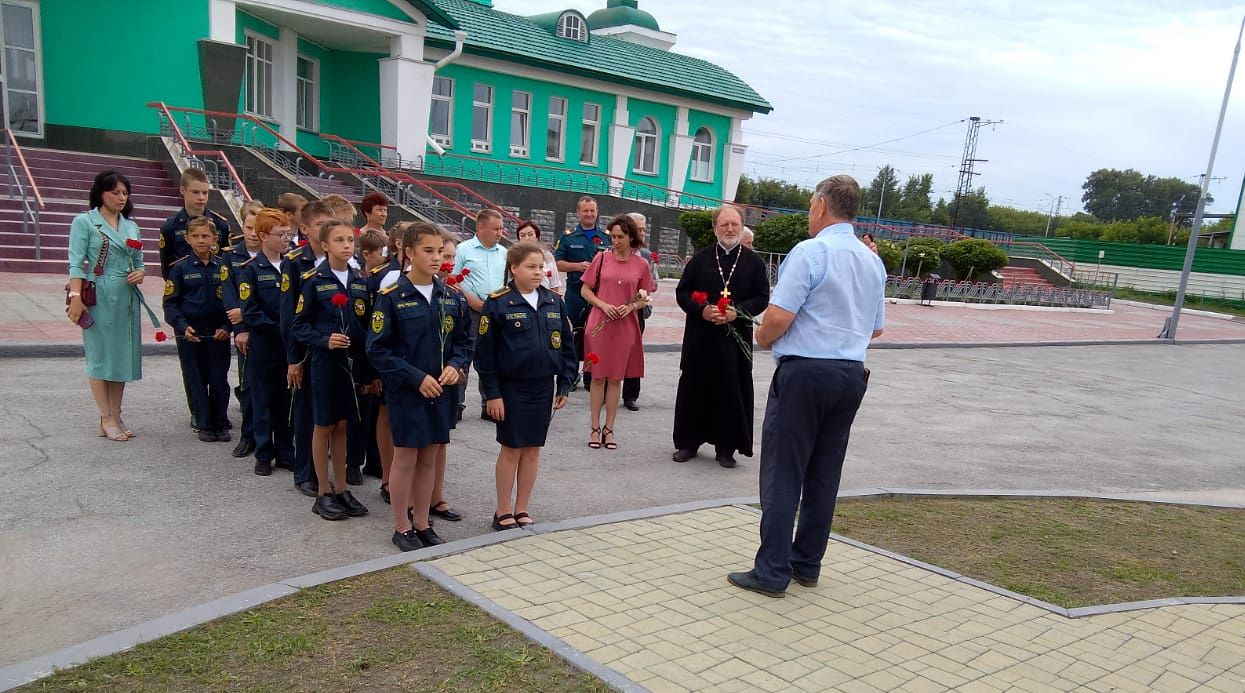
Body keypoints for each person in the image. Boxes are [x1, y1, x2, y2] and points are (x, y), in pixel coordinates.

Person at [726, 175, 887, 598]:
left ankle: (772, 571)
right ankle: (807, 563)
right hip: (850, 373)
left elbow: (778, 318)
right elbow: (876, 329)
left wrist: (762, 337)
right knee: (823, 471)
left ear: (819, 205)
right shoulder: (872, 260)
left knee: (784, 471)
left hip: (806, 372)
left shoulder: (811, 251)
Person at [366, 222, 474, 551]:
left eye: (440, 251)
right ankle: (402, 526)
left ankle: (423, 522)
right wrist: (416, 377)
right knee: (405, 458)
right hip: (408, 392)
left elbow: (465, 341)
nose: (436, 257)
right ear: (409, 253)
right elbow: (377, 349)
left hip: (442, 391)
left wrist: (457, 366)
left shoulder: (450, 297)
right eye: (428, 251)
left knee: (430, 458)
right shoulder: (392, 297)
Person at [476, 241, 577, 530]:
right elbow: (485, 355)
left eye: (541, 267)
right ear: (514, 268)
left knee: (533, 449)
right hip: (511, 388)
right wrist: (492, 393)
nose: (538, 272)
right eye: (531, 267)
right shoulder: (498, 302)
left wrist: (565, 385)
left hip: (542, 387)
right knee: (511, 448)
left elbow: (566, 348)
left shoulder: (553, 301)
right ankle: (503, 510)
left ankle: (522, 507)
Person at [671, 205, 770, 468]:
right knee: (695, 388)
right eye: (724, 224)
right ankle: (689, 442)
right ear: (715, 228)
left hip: (733, 343)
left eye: (734, 224)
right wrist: (701, 310)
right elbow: (683, 293)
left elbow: (762, 297)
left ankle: (726, 448)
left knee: (731, 390)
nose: (729, 229)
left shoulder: (754, 263)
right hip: (700, 340)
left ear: (741, 227)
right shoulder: (701, 260)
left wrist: (737, 312)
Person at [289, 219, 372, 521]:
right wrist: (324, 340)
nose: (347, 245)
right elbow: (299, 326)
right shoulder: (313, 280)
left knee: (342, 426)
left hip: (350, 365)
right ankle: (322, 491)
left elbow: (365, 325)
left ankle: (341, 487)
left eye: (350, 240)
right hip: (325, 363)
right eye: (339, 240)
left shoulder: (360, 281)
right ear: (325, 245)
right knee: (323, 425)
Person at [66, 170, 148, 442]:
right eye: (115, 192)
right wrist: (76, 296)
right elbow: (76, 263)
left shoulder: (130, 225)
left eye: (125, 193)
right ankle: (105, 415)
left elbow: (138, 260)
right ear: (101, 193)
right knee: (101, 356)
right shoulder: (85, 222)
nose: (121, 197)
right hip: (98, 293)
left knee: (121, 355)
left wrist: (140, 272)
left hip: (126, 295)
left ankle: (116, 411)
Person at [580, 215, 656, 451]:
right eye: (612, 236)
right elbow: (585, 289)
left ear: (632, 236)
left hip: (625, 325)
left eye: (620, 237)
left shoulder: (642, 264)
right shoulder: (601, 258)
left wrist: (631, 306)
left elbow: (646, 297)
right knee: (597, 377)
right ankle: (594, 426)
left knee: (615, 378)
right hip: (599, 322)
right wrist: (602, 305)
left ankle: (609, 428)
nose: (615, 241)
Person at [281, 200, 334, 497]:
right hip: (305, 348)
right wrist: (293, 358)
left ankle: (328, 473)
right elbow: (289, 314)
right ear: (305, 228)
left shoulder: (340, 261)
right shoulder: (294, 261)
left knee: (328, 416)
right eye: (320, 225)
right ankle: (305, 472)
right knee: (305, 414)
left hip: (331, 350)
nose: (326, 230)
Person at [163, 216, 233, 442]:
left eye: (206, 236)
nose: (201, 240)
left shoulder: (224, 266)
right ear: (187, 238)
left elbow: (234, 302)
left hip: (218, 334)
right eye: (196, 236)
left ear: (215, 238)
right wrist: (183, 326)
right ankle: (204, 423)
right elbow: (170, 303)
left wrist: (227, 326)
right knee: (197, 379)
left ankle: (220, 422)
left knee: (219, 379)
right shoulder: (180, 268)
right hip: (191, 334)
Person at [239, 208, 295, 476]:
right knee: (263, 400)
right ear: (263, 236)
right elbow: (250, 311)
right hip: (264, 344)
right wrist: (279, 328)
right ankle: (263, 452)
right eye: (281, 234)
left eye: (288, 233)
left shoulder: (291, 266)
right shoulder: (251, 270)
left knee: (286, 399)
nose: (287, 238)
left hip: (287, 347)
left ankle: (285, 451)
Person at [452, 209, 507, 420]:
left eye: (501, 228)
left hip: (495, 312)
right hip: (469, 310)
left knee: (492, 358)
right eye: (495, 228)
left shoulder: (503, 252)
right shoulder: (463, 250)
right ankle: (457, 404)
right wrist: (471, 300)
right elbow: (453, 279)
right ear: (481, 227)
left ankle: (489, 403)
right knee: (465, 355)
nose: (499, 233)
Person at [554, 195, 611, 390]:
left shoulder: (607, 237)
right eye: (585, 210)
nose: (589, 214)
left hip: (599, 295)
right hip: (576, 294)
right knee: (572, 338)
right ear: (578, 212)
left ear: (597, 212)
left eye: (592, 211)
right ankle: (569, 376)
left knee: (594, 337)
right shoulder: (568, 237)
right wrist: (577, 266)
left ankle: (590, 376)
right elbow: (558, 263)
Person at [221, 200, 264, 458]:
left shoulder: (276, 254)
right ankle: (248, 436)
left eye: (257, 227)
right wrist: (241, 328)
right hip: (247, 332)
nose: (252, 232)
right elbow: (230, 297)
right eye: (248, 226)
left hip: (267, 328)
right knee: (248, 385)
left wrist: (246, 313)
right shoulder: (231, 256)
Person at [158, 168, 231, 279]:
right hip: (186, 290)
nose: (201, 197)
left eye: (205, 193)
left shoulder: (221, 225)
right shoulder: (170, 227)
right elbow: (167, 266)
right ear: (183, 190)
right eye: (195, 192)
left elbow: (227, 261)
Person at [621, 212, 658, 412]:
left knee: (633, 352)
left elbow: (653, 283)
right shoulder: (612, 250)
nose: (642, 233)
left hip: (636, 310)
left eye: (644, 229)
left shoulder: (645, 255)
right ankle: (606, 389)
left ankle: (630, 394)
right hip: (615, 309)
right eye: (639, 228)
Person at [515, 221, 563, 294]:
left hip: (544, 299)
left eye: (530, 234)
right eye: (522, 235)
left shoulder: (547, 256)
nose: (527, 238)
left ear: (537, 237)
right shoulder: (514, 257)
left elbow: (554, 284)